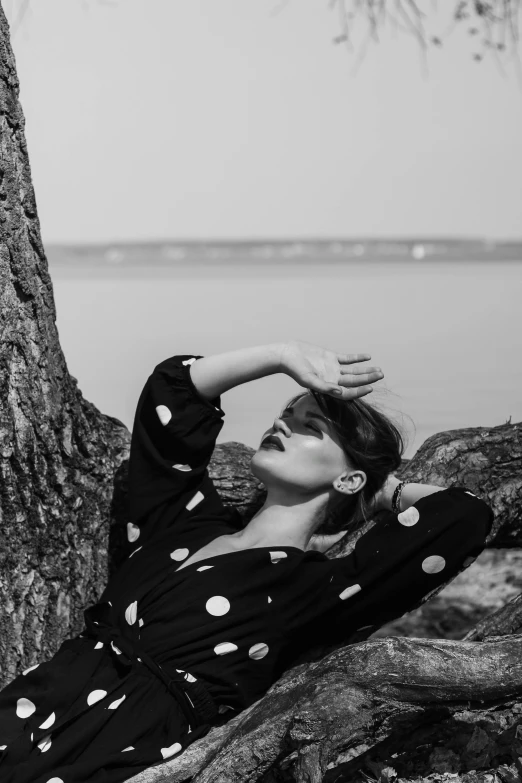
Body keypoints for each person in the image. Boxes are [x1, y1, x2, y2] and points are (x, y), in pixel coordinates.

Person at [0, 340, 493, 783]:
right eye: (286, 414)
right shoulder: (183, 523)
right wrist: (280, 357)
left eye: (309, 428)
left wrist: (382, 488)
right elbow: (172, 393)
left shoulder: (315, 589)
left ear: (347, 481)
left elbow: (465, 515)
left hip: (124, 750)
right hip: (32, 706)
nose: (281, 424)